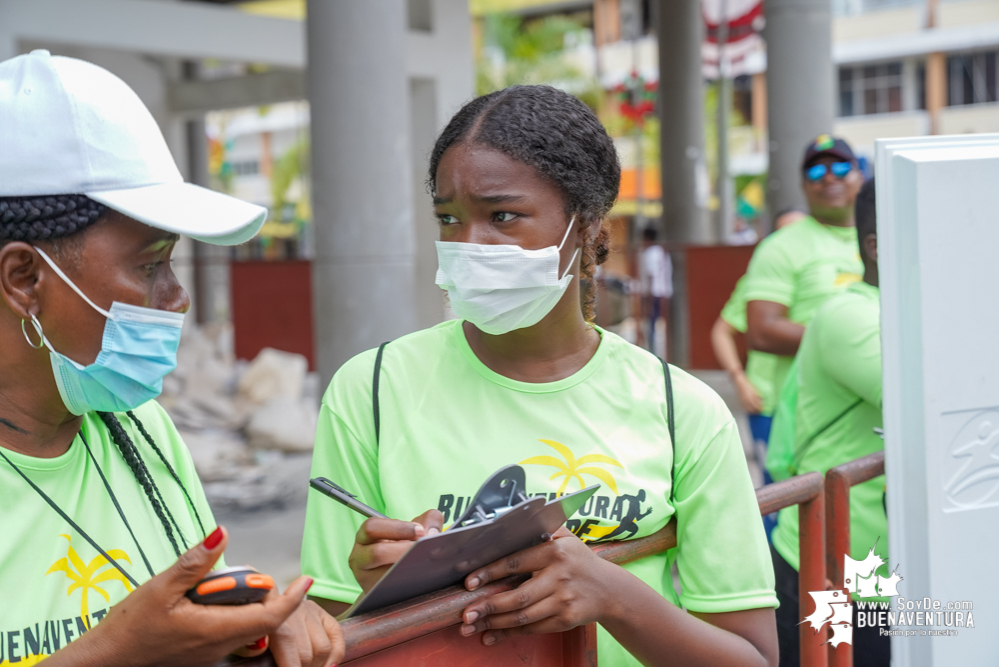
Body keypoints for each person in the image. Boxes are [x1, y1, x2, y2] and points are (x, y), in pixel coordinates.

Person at [302, 85, 778, 667]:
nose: (469, 245)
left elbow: (751, 656)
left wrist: (615, 598)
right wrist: (379, 595)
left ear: (586, 227)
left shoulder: (683, 410)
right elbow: (326, 634)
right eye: (449, 218)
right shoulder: (371, 388)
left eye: (503, 215)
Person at [0, 51, 343, 666]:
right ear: (25, 278)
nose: (178, 297)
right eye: (150, 264)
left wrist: (259, 618)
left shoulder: (141, 431)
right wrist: (118, 651)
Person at [770, 179, 887, 667]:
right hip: (837, 574)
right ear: (878, 246)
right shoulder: (851, 315)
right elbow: (943, 399)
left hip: (884, 574)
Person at [744, 136, 865, 406]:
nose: (829, 178)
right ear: (803, 185)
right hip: (811, 417)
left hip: (877, 410)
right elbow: (762, 332)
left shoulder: (887, 237)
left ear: (860, 177)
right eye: (816, 172)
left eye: (841, 169)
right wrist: (853, 342)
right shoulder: (780, 246)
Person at [638, 226, 672, 357]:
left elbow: (651, 275)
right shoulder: (662, 252)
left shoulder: (650, 253)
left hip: (654, 293)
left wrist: (648, 295)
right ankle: (660, 352)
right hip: (665, 292)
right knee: (660, 324)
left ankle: (652, 352)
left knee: (651, 325)